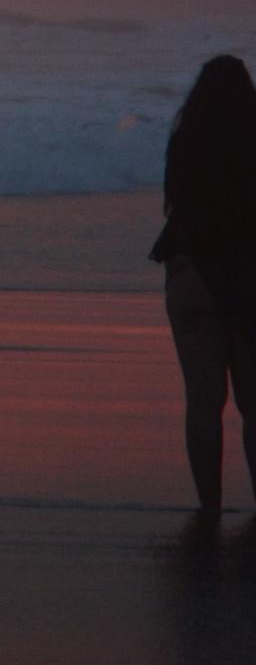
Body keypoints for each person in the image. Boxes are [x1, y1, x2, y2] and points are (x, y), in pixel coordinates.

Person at [150, 54, 256, 515]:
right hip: (248, 275)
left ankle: (209, 505)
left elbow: (173, 207)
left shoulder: (184, 141)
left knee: (202, 402)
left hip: (190, 273)